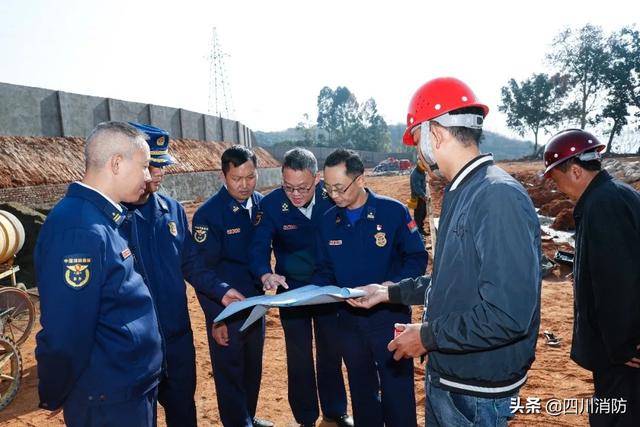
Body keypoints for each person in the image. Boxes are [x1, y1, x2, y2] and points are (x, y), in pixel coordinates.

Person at [349, 77, 542, 427]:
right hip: (453, 378)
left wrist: (426, 336)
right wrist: (387, 292)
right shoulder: (462, 190)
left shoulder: (497, 197)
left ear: (434, 134)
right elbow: (451, 280)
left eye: (417, 140)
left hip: (476, 394)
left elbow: (508, 314)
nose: (417, 152)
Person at [34, 121, 162, 427]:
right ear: (116, 164)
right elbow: (66, 329)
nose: (148, 176)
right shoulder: (80, 228)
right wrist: (56, 390)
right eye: (144, 166)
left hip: (126, 388)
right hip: (109, 400)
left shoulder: (101, 218)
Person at [314, 148, 427, 427]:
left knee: (398, 390)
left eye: (339, 188)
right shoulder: (328, 221)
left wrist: (390, 287)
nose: (334, 195)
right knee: (362, 390)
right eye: (328, 189)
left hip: (390, 319)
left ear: (360, 180)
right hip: (349, 321)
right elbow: (323, 268)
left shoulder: (393, 213)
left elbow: (417, 258)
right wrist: (324, 291)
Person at [543, 128, 640, 426]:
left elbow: (618, 283)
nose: (557, 188)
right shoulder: (615, 195)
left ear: (574, 170)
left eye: (556, 178)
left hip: (622, 355)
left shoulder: (602, 206)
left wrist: (623, 345)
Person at [249, 148, 352, 427]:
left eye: (303, 188)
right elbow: (258, 249)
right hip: (292, 293)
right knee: (299, 358)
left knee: (331, 351)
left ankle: (335, 410)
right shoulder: (270, 206)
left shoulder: (332, 200)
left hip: (328, 290)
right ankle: (305, 417)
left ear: (317, 179)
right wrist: (264, 274)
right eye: (288, 187)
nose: (295, 194)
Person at [184, 145, 272, 427]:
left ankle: (249, 415)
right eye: (237, 178)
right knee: (229, 372)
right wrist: (217, 317)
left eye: (250, 177)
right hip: (227, 308)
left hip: (256, 304)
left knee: (252, 367)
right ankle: (238, 422)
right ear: (223, 176)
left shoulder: (261, 204)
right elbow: (200, 271)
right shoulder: (209, 215)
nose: (244, 185)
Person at [122, 122, 197, 427]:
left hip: (177, 340)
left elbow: (192, 264)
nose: (160, 172)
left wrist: (222, 291)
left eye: (162, 165)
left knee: (183, 413)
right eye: (152, 165)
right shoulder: (108, 221)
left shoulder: (173, 210)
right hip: (135, 348)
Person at [409, 164, 428, 235]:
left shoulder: (421, 171)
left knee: (423, 213)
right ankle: (417, 231)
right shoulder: (415, 174)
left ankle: (420, 229)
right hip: (418, 197)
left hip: (421, 196)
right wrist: (424, 195)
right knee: (418, 215)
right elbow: (417, 188)